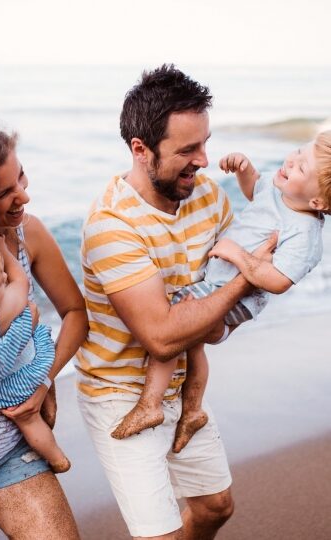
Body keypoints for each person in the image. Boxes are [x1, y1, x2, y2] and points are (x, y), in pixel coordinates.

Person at [77, 64, 276, 540]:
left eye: (205, 143)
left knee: (214, 508)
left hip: (183, 384)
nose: (204, 161)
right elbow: (162, 336)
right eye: (187, 150)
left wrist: (215, 316)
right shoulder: (112, 227)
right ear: (141, 150)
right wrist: (247, 281)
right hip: (121, 392)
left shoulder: (204, 193)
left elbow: (214, 308)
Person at [112, 132, 331, 452]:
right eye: (298, 151)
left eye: (301, 168)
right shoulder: (281, 187)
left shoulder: (305, 234)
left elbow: (279, 280)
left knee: (177, 320)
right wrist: (244, 170)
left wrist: (237, 256)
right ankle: (193, 410)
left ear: (317, 202)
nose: (291, 161)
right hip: (220, 281)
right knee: (193, 341)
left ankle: (150, 405)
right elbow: (255, 191)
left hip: (237, 293)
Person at [0, 118, 87, 539]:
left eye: (22, 177)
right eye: (5, 192)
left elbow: (74, 313)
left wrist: (43, 383)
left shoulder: (25, 234)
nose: (24, 196)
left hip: (14, 444)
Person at [0, 233, 70, 473]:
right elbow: (21, 282)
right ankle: (57, 457)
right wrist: (4, 252)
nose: (5, 277)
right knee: (29, 419)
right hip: (22, 375)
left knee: (27, 421)